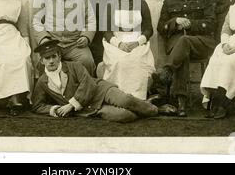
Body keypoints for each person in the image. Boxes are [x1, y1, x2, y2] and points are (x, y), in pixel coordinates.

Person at [31, 40, 159, 123]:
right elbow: (37, 105)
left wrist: (71, 105)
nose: (51, 61)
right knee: (124, 116)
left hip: (100, 91)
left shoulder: (74, 66)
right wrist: (55, 109)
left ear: (59, 56)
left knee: (126, 100)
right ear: (42, 61)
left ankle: (154, 109)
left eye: (54, 56)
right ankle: (144, 105)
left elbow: (88, 83)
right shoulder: (42, 82)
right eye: (47, 58)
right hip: (89, 108)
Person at [155, 0, 216, 117]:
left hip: (202, 43)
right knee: (182, 49)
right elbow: (161, 28)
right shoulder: (169, 2)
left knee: (184, 41)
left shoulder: (203, 0)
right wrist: (175, 21)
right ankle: (182, 103)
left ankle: (167, 71)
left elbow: (212, 23)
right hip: (178, 45)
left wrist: (191, 24)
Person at [33, 0, 96, 75]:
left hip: (75, 44)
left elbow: (90, 21)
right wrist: (44, 39)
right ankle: (49, 92)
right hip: (52, 43)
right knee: (41, 64)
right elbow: (36, 22)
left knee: (87, 61)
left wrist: (86, 37)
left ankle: (85, 91)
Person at [101, 0, 155, 100]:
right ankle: (118, 97)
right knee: (120, 61)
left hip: (137, 41)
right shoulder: (110, 3)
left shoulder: (141, 3)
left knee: (137, 61)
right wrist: (119, 44)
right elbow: (106, 30)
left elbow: (149, 29)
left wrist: (137, 42)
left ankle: (138, 97)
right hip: (116, 42)